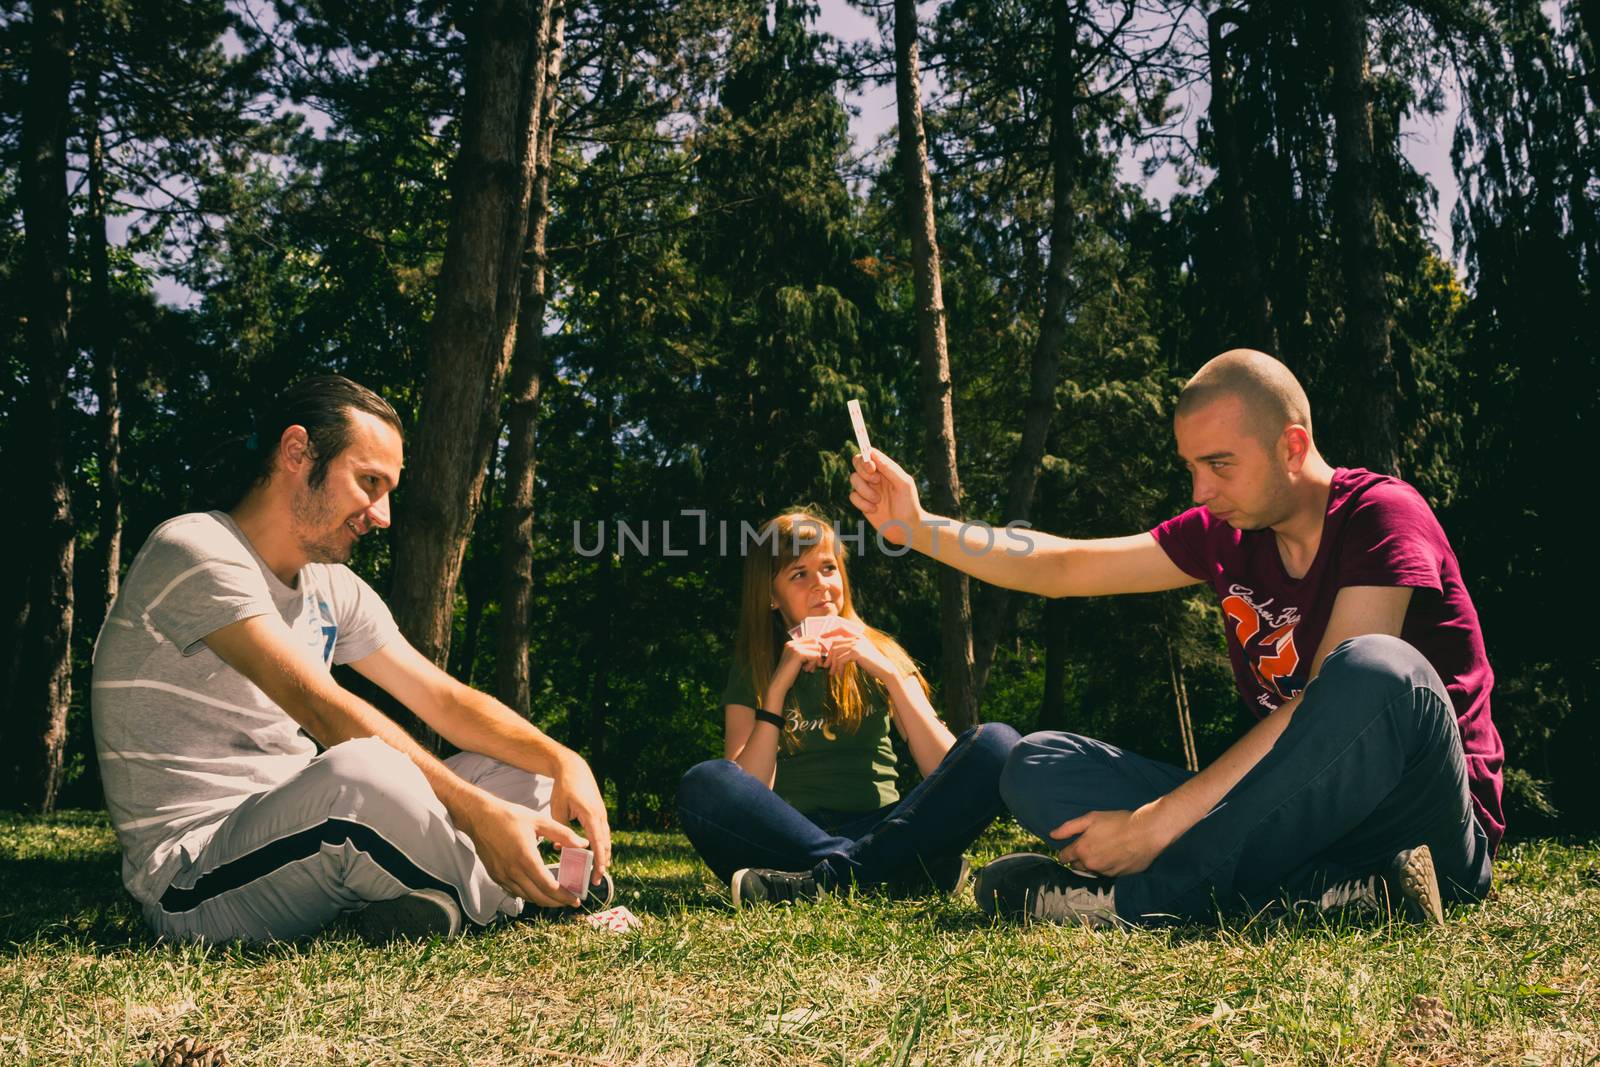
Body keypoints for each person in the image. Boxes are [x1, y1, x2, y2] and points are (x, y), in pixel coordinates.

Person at [848, 349, 1503, 927]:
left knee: (1373, 668)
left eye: (1219, 463)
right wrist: (920, 526)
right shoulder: (1223, 533)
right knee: (1036, 763)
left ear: (1293, 447)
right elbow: (1065, 567)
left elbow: (1335, 701)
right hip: (1298, 823)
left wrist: (1158, 823)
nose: (1201, 490)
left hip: (1424, 821)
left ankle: (1136, 902)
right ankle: (1342, 894)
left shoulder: (1382, 515)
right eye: (1191, 466)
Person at [91, 375, 613, 942]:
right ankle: (533, 893)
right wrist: (474, 813)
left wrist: (563, 759)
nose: (383, 514)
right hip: (197, 877)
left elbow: (444, 700)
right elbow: (321, 708)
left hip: (305, 830)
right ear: (297, 452)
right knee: (361, 772)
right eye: (369, 482)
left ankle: (427, 901)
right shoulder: (195, 549)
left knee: (517, 762)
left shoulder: (332, 586)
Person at [676, 511, 1020, 904]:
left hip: (889, 826)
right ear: (771, 596)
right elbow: (746, 789)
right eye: (798, 574)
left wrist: (891, 677)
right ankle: (895, 874)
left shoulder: (883, 653)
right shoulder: (754, 666)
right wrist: (776, 692)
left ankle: (821, 881)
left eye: (828, 568)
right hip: (792, 835)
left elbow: (943, 768)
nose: (821, 584)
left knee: (999, 744)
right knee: (703, 784)